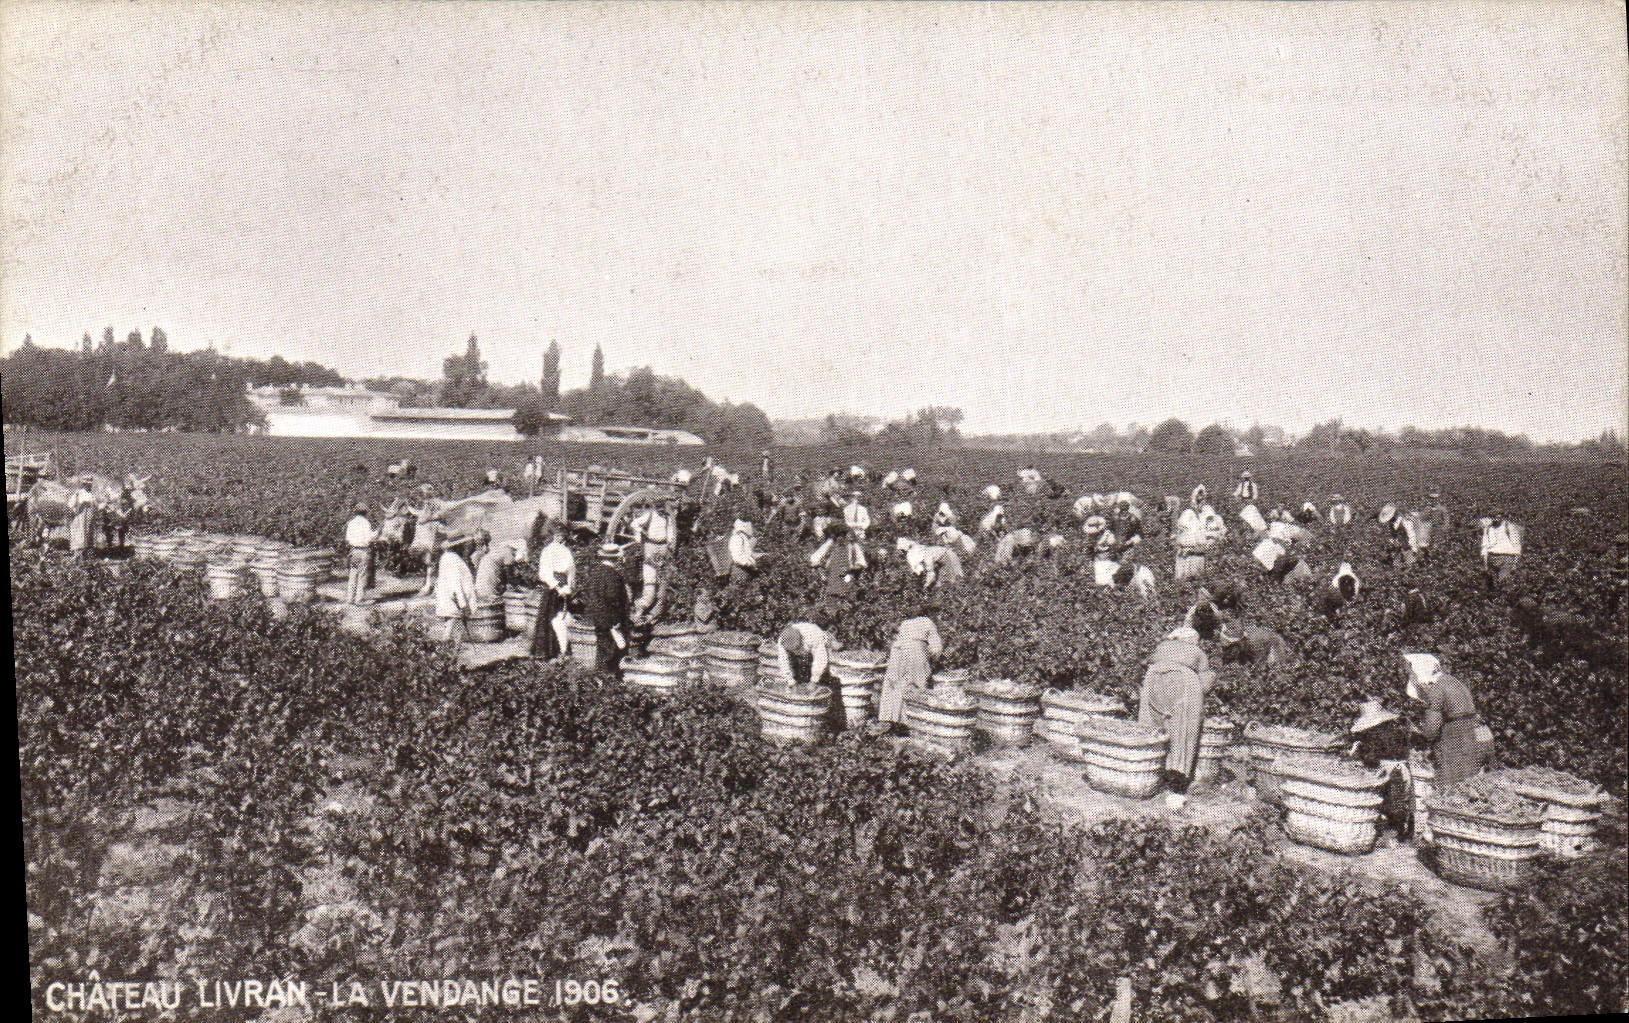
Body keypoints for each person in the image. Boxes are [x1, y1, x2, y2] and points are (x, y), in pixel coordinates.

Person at [1138, 626, 1217, 810]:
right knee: (1184, 730)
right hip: (1183, 681)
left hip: (1153, 679)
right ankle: (1177, 784)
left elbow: (1147, 662)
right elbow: (1206, 682)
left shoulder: (1162, 646)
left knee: (1152, 725)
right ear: (1193, 641)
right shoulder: (1197, 653)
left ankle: (1146, 771)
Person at [1402, 652, 1493, 788]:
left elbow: (1431, 729)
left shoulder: (1437, 689)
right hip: (1473, 735)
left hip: (1455, 739)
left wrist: (1422, 735)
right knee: (1468, 783)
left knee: (1449, 786)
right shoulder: (1453, 682)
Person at [877, 603, 945, 735]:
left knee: (895, 685)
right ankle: (912, 722)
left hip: (897, 653)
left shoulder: (905, 623)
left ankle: (894, 721)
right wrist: (931, 660)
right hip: (915, 652)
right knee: (916, 685)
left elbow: (898, 641)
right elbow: (937, 648)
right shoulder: (928, 622)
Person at [1347, 699, 1412, 837]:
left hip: (1388, 773)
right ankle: (1398, 828)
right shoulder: (1394, 732)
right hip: (1402, 771)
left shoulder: (1372, 737)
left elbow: (1371, 757)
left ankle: (1389, 830)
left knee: (1389, 800)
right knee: (1398, 802)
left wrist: (1358, 751)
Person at [778, 615, 843, 732]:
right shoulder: (783, 640)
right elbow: (783, 662)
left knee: (827, 671)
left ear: (801, 640)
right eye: (793, 649)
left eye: (797, 648)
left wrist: (814, 681)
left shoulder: (813, 635)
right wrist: (791, 682)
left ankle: (829, 718)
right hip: (802, 655)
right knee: (798, 679)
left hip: (820, 643)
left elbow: (820, 659)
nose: (795, 650)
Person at [579, 543, 632, 680]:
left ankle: (599, 678)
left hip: (598, 617)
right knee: (612, 650)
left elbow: (589, 594)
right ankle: (609, 679)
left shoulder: (595, 573)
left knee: (602, 646)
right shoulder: (613, 576)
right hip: (611, 619)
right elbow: (613, 599)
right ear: (615, 559)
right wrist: (616, 621)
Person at [531, 523, 576, 660]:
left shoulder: (566, 551)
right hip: (552, 588)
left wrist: (569, 586)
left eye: (562, 535)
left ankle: (562, 649)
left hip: (564, 587)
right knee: (548, 617)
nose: (559, 537)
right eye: (557, 535)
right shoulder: (547, 551)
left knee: (562, 617)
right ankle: (545, 651)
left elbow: (572, 571)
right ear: (552, 536)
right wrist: (556, 586)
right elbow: (544, 572)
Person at [434, 534, 478, 648]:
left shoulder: (446, 557)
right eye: (463, 545)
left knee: (451, 634)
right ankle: (446, 660)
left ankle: (447, 660)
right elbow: (456, 585)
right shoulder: (453, 560)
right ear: (458, 546)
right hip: (455, 605)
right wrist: (463, 605)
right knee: (453, 636)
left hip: (449, 603)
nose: (465, 548)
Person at [628, 546, 670, 658]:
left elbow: (652, 597)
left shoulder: (650, 572)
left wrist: (641, 613)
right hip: (644, 608)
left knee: (643, 630)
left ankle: (640, 654)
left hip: (652, 612)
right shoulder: (635, 574)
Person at [811, 521, 866, 601]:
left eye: (843, 535)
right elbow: (814, 559)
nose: (840, 538)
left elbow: (861, 563)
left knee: (848, 597)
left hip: (848, 577)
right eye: (838, 535)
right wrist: (821, 569)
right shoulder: (830, 544)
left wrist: (851, 569)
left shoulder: (853, 546)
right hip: (831, 578)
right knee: (832, 598)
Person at [897, 537, 965, 592]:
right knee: (939, 584)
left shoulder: (926, 557)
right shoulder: (916, 553)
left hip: (949, 558)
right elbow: (921, 571)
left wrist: (926, 586)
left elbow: (931, 574)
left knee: (950, 583)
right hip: (942, 560)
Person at [344, 502, 378, 605]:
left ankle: (350, 598)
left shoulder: (351, 523)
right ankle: (359, 599)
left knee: (353, 574)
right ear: (365, 512)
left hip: (353, 551)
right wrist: (377, 532)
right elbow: (369, 538)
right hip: (363, 551)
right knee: (362, 575)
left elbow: (348, 538)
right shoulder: (366, 523)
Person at [1480, 510, 1523, 590]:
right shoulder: (1488, 528)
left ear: (1502, 516)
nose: (1496, 518)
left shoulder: (1509, 527)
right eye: (1493, 516)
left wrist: (1515, 561)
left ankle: (1505, 598)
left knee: (1504, 581)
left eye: (1498, 516)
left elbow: (1517, 545)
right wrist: (1485, 563)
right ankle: (1494, 599)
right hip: (1492, 558)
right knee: (1491, 584)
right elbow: (1485, 546)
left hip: (1507, 557)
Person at [1217, 622, 1287, 667]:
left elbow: (1258, 664)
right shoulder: (1245, 642)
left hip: (1273, 649)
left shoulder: (1252, 642)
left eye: (1229, 649)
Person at [631, 499, 679, 564]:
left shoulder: (667, 517)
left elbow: (670, 530)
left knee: (662, 566)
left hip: (663, 545)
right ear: (654, 507)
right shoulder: (649, 515)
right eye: (658, 506)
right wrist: (643, 531)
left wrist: (670, 542)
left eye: (661, 506)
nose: (660, 508)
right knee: (649, 566)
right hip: (651, 544)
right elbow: (634, 524)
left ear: (664, 507)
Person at [66, 479, 97, 559]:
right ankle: (78, 555)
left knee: (89, 535)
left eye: (90, 484)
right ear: (84, 484)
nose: (90, 486)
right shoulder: (78, 494)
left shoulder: (91, 494)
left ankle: (87, 554)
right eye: (88, 484)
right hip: (80, 518)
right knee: (80, 535)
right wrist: (75, 512)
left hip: (89, 518)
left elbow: (95, 506)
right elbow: (70, 505)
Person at [727, 518, 761, 586]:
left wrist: (758, 556)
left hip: (745, 570)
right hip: (740, 571)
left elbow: (746, 554)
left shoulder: (744, 538)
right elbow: (737, 558)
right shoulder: (737, 538)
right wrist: (752, 563)